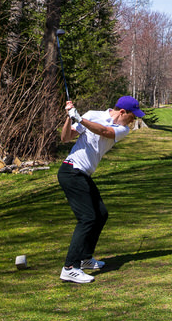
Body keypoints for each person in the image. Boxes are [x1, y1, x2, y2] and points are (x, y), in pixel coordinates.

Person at [56, 94, 146, 284]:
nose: (133, 121)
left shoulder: (122, 129)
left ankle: (85, 258)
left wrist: (80, 119)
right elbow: (65, 138)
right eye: (132, 116)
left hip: (82, 173)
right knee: (87, 217)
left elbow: (104, 131)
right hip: (71, 171)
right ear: (123, 112)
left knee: (101, 214)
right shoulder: (92, 115)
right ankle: (70, 268)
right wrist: (70, 117)